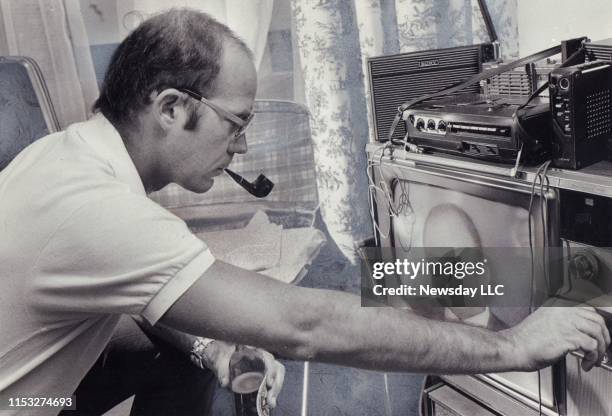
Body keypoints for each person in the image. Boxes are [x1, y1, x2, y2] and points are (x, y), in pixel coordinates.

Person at [0, 8, 609, 416]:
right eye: (236, 123)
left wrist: (210, 348)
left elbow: (133, 291)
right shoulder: (98, 207)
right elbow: (306, 326)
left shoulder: (64, 156)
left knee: (188, 340)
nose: (240, 147)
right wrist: (517, 346)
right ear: (168, 108)